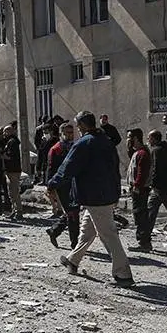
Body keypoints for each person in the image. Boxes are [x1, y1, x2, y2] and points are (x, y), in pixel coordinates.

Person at [49, 111, 134, 287]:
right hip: (105, 194)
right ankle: (73, 260)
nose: (77, 129)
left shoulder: (83, 144)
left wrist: (52, 183)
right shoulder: (106, 141)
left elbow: (67, 168)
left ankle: (123, 274)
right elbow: (115, 167)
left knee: (108, 234)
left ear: (82, 125)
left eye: (78, 126)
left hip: (95, 196)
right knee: (87, 231)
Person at [46, 122, 79, 249]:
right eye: (67, 133)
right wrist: (50, 186)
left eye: (71, 132)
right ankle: (75, 243)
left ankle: (54, 230)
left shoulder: (75, 147)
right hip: (62, 185)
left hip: (74, 184)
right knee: (72, 213)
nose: (70, 135)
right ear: (61, 134)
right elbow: (51, 169)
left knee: (72, 212)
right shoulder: (56, 149)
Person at [143, 130, 167, 244]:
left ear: (154, 139)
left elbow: (155, 169)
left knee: (150, 213)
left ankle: (145, 241)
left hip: (158, 187)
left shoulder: (156, 151)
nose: (148, 140)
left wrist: (151, 183)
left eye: (149, 138)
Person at [126, 128, 152, 251]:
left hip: (140, 190)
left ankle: (144, 243)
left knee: (140, 215)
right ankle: (143, 241)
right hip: (138, 189)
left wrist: (137, 186)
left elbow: (142, 172)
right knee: (139, 214)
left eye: (130, 137)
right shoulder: (138, 152)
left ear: (135, 138)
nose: (128, 140)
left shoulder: (143, 153)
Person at [0, 125, 24, 220]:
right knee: (11, 192)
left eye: (5, 131)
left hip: (13, 170)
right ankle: (14, 210)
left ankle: (19, 211)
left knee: (14, 192)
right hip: (11, 170)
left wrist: (1, 155)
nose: (4, 134)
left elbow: (10, 156)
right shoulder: (10, 141)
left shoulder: (12, 142)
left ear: (10, 132)